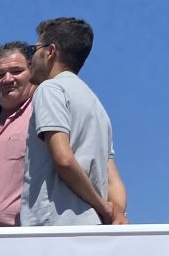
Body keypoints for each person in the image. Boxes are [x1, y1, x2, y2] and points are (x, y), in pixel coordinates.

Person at [0, 41, 128, 227]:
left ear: (32, 71)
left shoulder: (50, 107)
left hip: (25, 239)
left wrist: (115, 212)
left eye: (16, 71)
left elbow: (107, 171)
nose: (7, 79)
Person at [21, 17, 116, 226]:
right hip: (91, 225)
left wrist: (101, 205)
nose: (30, 59)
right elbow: (112, 176)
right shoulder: (97, 106)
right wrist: (112, 212)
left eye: (34, 49)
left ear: (50, 52)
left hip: (56, 225)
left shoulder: (50, 89)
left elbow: (63, 159)